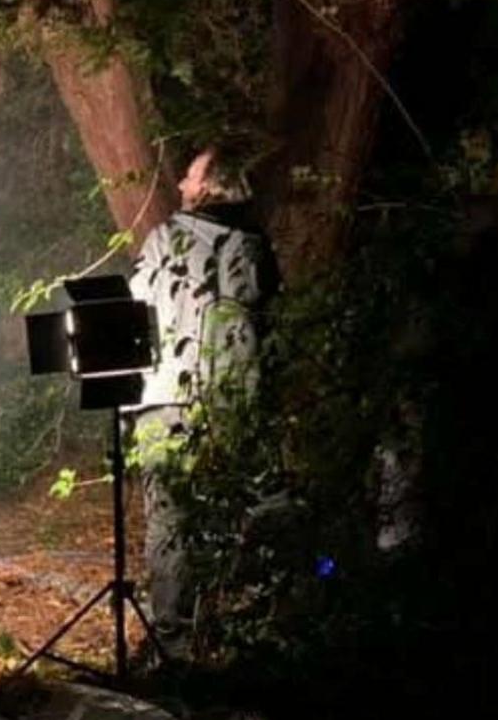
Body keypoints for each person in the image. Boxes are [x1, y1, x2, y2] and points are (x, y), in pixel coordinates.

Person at [127, 146, 277, 659]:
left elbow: (134, 310)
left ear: (209, 187)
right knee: (235, 510)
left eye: (190, 176)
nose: (182, 183)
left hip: (165, 399)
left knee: (169, 522)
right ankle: (240, 631)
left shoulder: (166, 239)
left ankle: (174, 644)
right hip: (231, 400)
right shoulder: (254, 246)